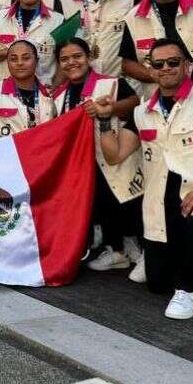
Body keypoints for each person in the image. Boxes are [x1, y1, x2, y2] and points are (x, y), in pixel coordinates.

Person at [95, 38, 193, 320]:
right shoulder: (141, 112)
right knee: (157, 284)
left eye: (173, 62)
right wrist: (103, 119)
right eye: (158, 64)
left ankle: (188, 290)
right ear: (151, 70)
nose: (166, 68)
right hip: (159, 202)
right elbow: (115, 155)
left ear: (187, 66)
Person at [51, 38, 145, 274]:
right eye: (65, 59)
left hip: (117, 154)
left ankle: (140, 249)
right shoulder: (57, 96)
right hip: (82, 163)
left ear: (88, 57)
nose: (72, 62)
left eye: (77, 56)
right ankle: (116, 250)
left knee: (129, 203)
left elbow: (135, 103)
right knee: (103, 204)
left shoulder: (110, 84)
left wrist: (111, 109)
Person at [0, 40, 56, 139]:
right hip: (5, 153)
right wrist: (5, 145)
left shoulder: (50, 94)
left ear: (36, 61)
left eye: (26, 58)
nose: (19, 63)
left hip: (42, 152)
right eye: (13, 59)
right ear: (7, 62)